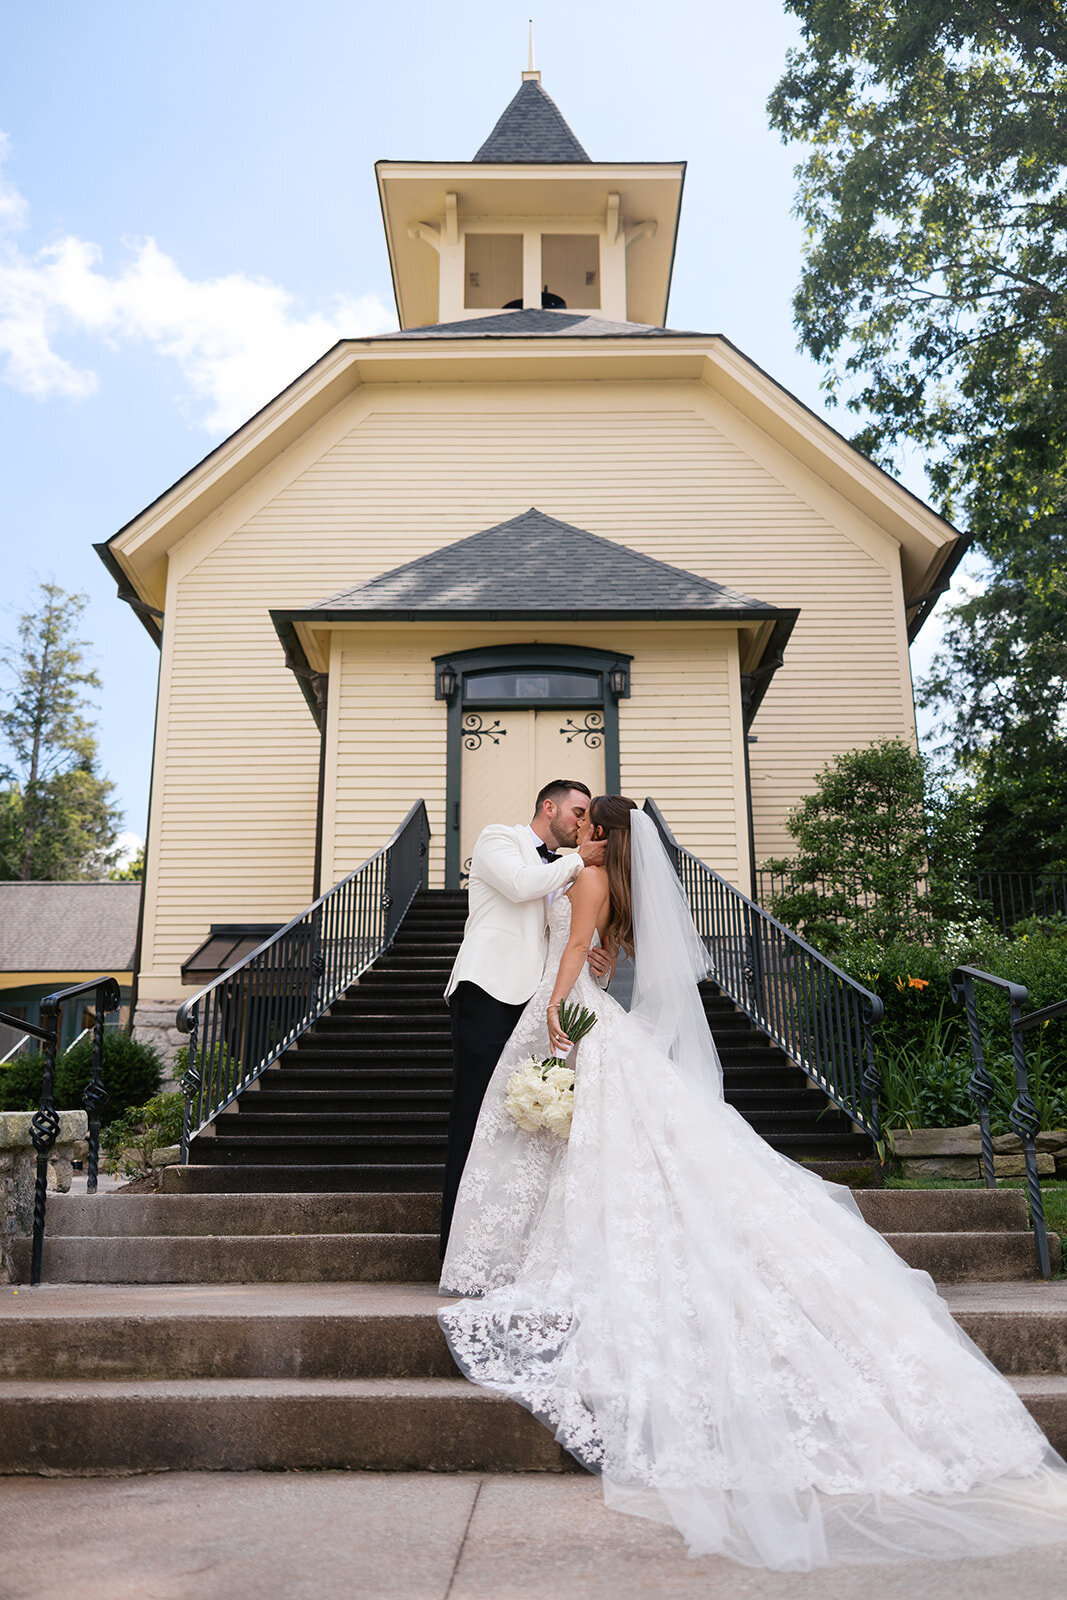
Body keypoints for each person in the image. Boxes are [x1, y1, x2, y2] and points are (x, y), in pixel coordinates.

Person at [439, 795, 1067, 1572]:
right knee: (616, 1146)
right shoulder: (603, 877)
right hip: (582, 1002)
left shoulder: (590, 878)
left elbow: (576, 950)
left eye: (585, 824)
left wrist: (560, 1011)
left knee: (599, 1145)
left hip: (565, 1005)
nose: (576, 831)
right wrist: (587, 964)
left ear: (597, 832)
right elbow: (600, 946)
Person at [439, 780, 609, 1257]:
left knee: (511, 1124)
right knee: (474, 1116)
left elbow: (568, 933)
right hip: (488, 990)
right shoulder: (499, 838)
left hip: (536, 1001)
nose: (582, 822)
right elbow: (518, 885)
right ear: (549, 807)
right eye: (577, 811)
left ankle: (506, 1245)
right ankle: (455, 1246)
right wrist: (581, 859)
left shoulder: (569, 870)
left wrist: (598, 959)